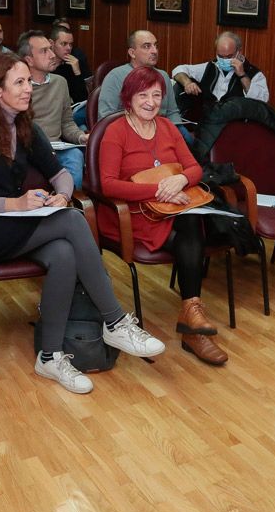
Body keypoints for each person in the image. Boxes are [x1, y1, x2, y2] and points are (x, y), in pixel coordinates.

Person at [0, 53, 164, 394]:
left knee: (62, 254)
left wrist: (61, 193)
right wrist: (14, 203)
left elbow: (60, 172)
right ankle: (115, 320)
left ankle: (50, 356)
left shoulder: (24, 123)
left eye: (29, 81)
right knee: (72, 221)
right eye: (20, 82)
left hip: (15, 225)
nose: (29, 88)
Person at [96, 66, 228, 366]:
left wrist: (179, 181)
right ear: (128, 98)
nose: (151, 102)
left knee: (191, 219)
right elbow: (107, 184)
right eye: (143, 95)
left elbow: (194, 168)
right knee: (191, 227)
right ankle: (193, 328)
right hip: (131, 216)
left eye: (157, 95)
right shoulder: (115, 131)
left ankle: (192, 316)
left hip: (170, 209)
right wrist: (158, 190)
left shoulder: (167, 127)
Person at [19, 30, 88, 188]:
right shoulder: (18, 88)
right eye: (44, 51)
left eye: (50, 49)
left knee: (76, 155)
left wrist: (81, 137)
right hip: (28, 148)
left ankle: (67, 203)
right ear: (29, 59)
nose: (51, 55)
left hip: (57, 147)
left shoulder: (60, 82)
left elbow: (67, 123)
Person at [96, 30, 191, 144]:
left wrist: (174, 132)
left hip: (163, 129)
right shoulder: (115, 76)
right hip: (131, 132)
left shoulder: (163, 76)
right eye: (147, 46)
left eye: (156, 46)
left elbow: (172, 112)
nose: (154, 51)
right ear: (132, 52)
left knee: (188, 140)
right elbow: (106, 117)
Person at [171, 31, 270, 118]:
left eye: (229, 56)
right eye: (220, 56)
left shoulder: (254, 73)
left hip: (235, 124)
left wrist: (242, 75)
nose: (224, 60)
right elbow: (178, 70)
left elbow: (261, 101)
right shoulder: (211, 66)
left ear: (239, 52)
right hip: (207, 123)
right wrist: (187, 83)